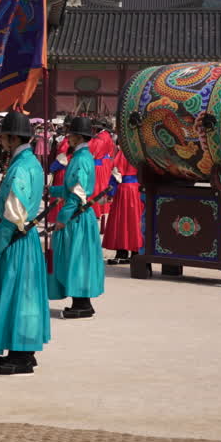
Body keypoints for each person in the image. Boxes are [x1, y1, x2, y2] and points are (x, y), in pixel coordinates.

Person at [0, 111, 49, 375]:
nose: (0, 139)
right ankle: (24, 352)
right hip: (24, 239)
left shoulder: (19, 168)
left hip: (14, 242)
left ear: (14, 137)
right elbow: (15, 207)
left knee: (17, 296)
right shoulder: (31, 163)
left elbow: (13, 215)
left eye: (3, 135)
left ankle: (19, 357)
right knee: (24, 296)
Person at [48, 116, 106, 319]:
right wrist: (52, 191)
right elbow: (68, 188)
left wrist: (62, 218)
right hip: (78, 214)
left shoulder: (81, 159)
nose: (68, 137)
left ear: (79, 137)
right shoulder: (82, 157)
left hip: (76, 217)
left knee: (77, 259)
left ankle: (81, 304)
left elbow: (78, 192)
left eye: (70, 134)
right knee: (77, 258)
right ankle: (82, 302)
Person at [102, 155, 142, 265]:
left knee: (122, 222)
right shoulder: (139, 152)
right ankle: (136, 252)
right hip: (137, 189)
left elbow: (116, 174)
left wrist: (110, 193)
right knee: (135, 221)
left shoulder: (123, 154)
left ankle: (122, 252)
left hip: (124, 190)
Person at [89, 120, 116, 223]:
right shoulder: (106, 136)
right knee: (103, 186)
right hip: (105, 163)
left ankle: (96, 210)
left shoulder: (99, 138)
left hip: (98, 164)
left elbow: (92, 151)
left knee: (96, 187)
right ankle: (102, 210)